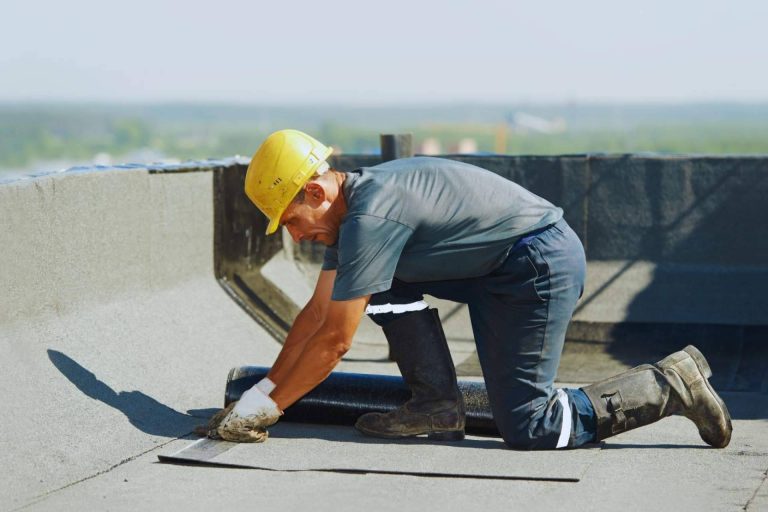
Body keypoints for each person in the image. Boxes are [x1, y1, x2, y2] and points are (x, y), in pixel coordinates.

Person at [214, 129, 732, 450]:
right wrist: (259, 395)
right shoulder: (351, 220)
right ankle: (436, 405)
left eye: (292, 219)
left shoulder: (371, 216)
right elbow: (315, 317)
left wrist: (266, 410)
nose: (295, 234)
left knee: (531, 427)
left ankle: (668, 385)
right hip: (496, 268)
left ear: (315, 190)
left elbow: (334, 342)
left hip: (535, 267)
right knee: (377, 282)